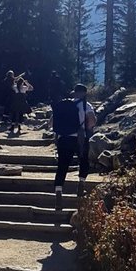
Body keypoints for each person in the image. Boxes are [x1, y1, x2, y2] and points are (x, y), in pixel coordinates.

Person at [52, 82, 96, 218]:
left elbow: (51, 122)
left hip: (63, 139)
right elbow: (91, 121)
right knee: (83, 160)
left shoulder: (64, 105)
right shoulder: (86, 105)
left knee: (62, 166)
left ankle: (59, 192)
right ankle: (81, 185)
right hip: (79, 138)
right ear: (84, 93)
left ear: (74, 92)